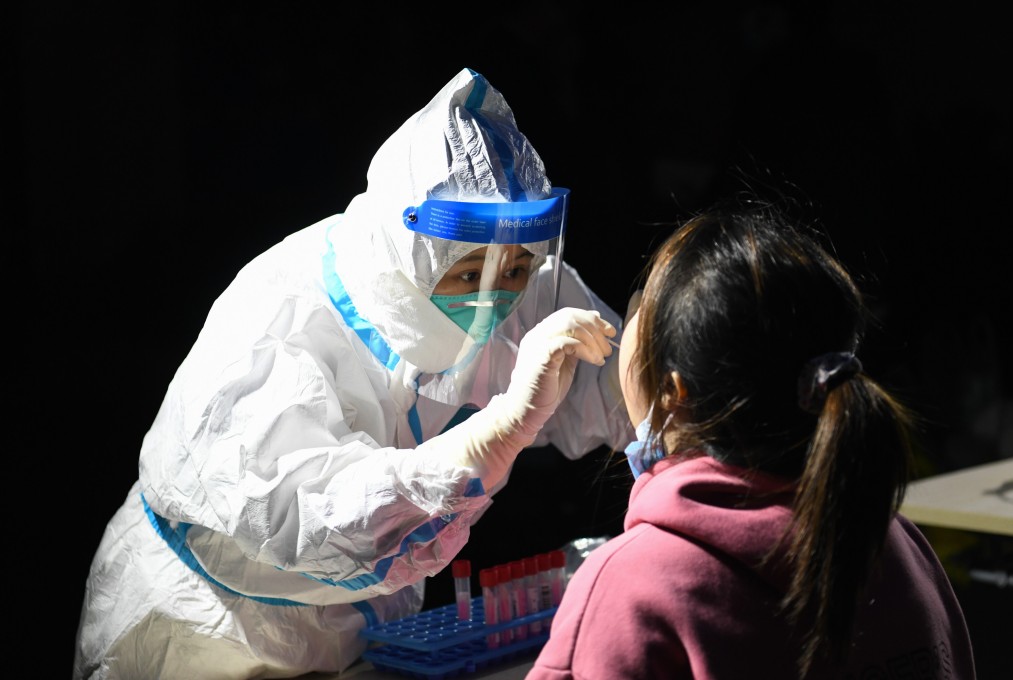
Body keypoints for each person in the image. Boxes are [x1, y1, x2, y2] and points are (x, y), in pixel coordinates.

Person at [73, 68, 633, 679]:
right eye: (470, 277)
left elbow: (616, 384)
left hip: (366, 625)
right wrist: (493, 434)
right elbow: (312, 517)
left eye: (519, 269)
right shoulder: (280, 316)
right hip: (206, 625)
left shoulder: (504, 270)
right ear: (410, 247)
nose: (495, 301)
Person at [527, 195, 977, 679]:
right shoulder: (894, 542)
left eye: (640, 304)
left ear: (674, 395)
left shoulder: (631, 587)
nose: (625, 316)